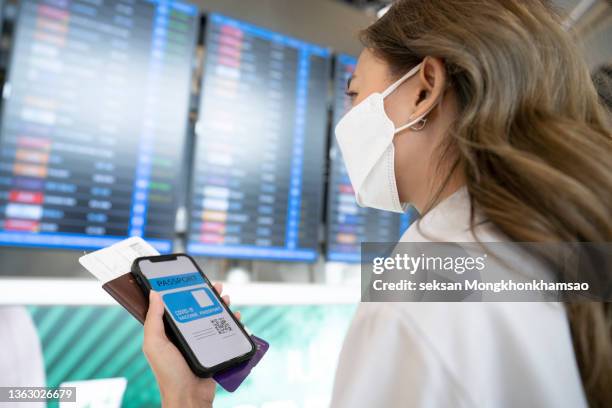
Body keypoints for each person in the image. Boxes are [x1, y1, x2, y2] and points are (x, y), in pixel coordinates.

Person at [143, 0, 612, 407]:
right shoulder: (552, 251)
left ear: (423, 90)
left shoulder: (419, 292)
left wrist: (184, 398)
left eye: (355, 94)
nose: (347, 119)